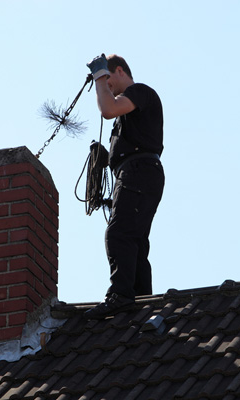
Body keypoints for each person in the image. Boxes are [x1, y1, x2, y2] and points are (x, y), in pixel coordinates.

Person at [84, 54, 165, 319]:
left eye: (109, 79)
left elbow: (107, 110)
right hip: (137, 173)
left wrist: (98, 76)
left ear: (119, 71)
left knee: (118, 233)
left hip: (139, 172)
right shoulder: (128, 114)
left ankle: (121, 296)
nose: (106, 87)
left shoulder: (139, 92)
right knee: (135, 241)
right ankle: (141, 300)